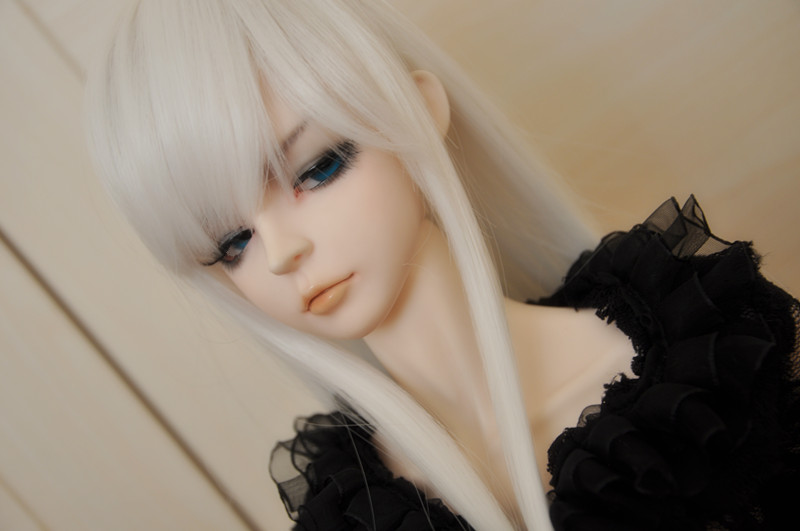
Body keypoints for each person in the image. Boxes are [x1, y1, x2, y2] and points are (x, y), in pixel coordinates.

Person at [85, 1, 799, 529]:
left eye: (317, 166)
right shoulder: (357, 512)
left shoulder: (703, 365)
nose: (280, 253)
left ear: (418, 111)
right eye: (233, 242)